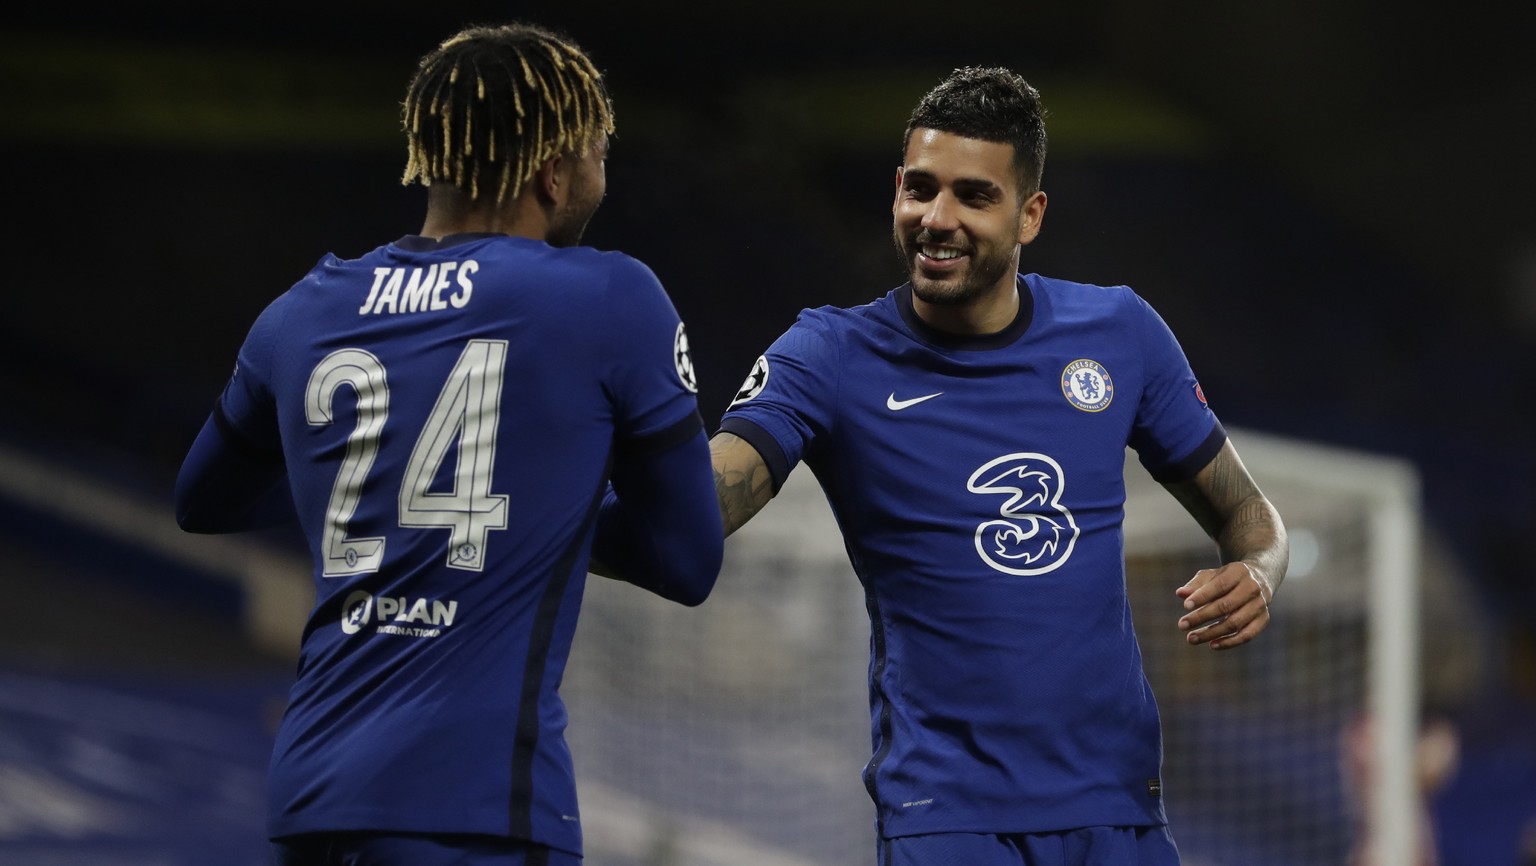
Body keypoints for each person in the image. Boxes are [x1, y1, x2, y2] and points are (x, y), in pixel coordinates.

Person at [174, 22, 723, 866]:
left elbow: (201, 502)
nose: (603, 176)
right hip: (476, 809)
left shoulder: (302, 310)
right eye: (599, 152)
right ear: (554, 171)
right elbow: (687, 560)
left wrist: (383, 501)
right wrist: (538, 512)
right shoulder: (613, 299)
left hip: (313, 800)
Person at [710, 66, 1289, 865]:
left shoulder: (1120, 332)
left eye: (974, 197)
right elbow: (709, 499)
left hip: (1118, 807)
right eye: (920, 188)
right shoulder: (829, 354)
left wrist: (1258, 569)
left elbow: (1249, 517)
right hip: (948, 816)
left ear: (1030, 214)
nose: (936, 219)